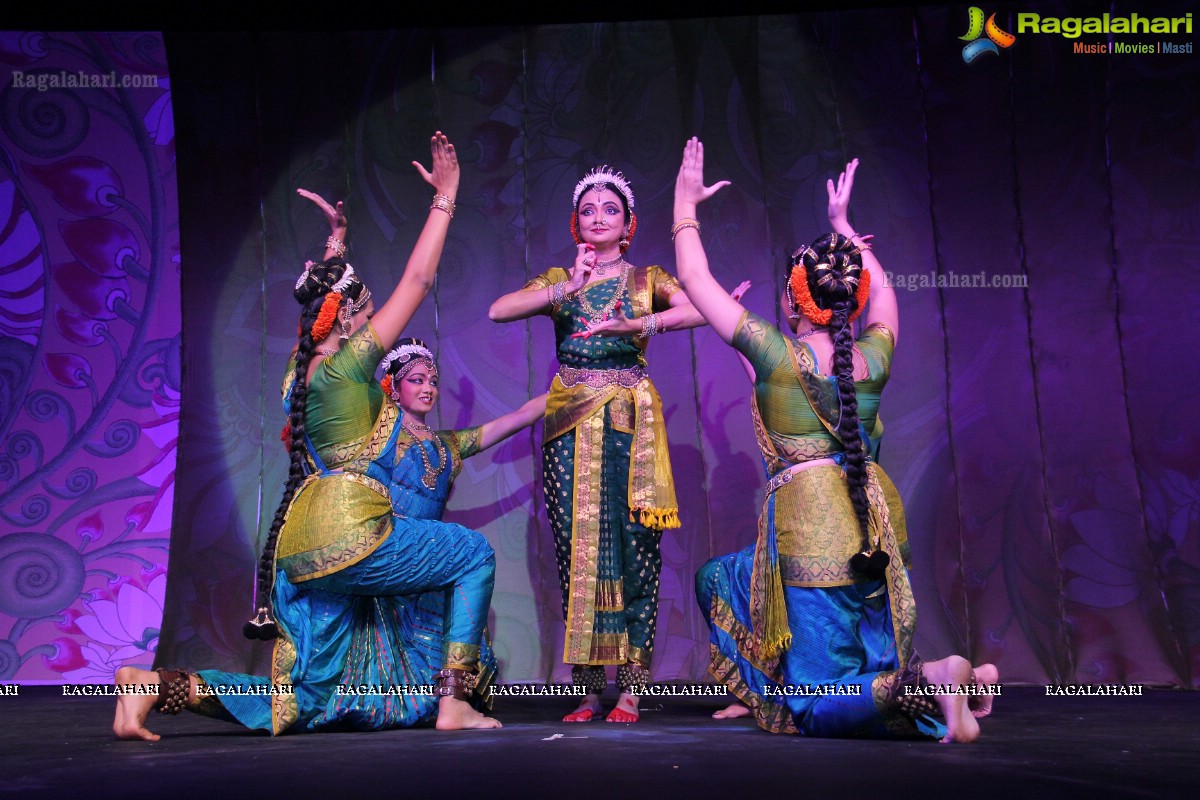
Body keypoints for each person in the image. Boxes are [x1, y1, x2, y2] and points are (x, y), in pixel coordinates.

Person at [112, 132, 502, 739]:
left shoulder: (303, 373)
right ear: (347, 319)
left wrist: (337, 243)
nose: (374, 319)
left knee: (303, 700)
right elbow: (419, 279)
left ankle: (152, 686)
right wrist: (445, 197)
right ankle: (455, 703)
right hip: (354, 534)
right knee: (474, 553)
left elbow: (320, 302)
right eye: (365, 310)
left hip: (302, 549)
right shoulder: (348, 369)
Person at [672, 137, 994, 742]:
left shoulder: (776, 353)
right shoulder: (873, 355)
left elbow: (692, 274)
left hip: (812, 522)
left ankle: (932, 681)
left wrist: (684, 205)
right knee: (854, 658)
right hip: (872, 515)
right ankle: (949, 686)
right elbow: (885, 301)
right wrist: (844, 228)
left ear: (795, 296)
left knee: (818, 704)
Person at [488, 166, 711, 723]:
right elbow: (498, 309)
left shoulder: (647, 279)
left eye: (609, 209)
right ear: (575, 224)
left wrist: (636, 327)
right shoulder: (561, 280)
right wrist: (569, 285)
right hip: (569, 428)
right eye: (587, 210)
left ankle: (633, 687)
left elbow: (699, 308)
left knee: (636, 548)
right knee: (579, 551)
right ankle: (588, 688)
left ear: (629, 224)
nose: (597, 217)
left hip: (628, 424)